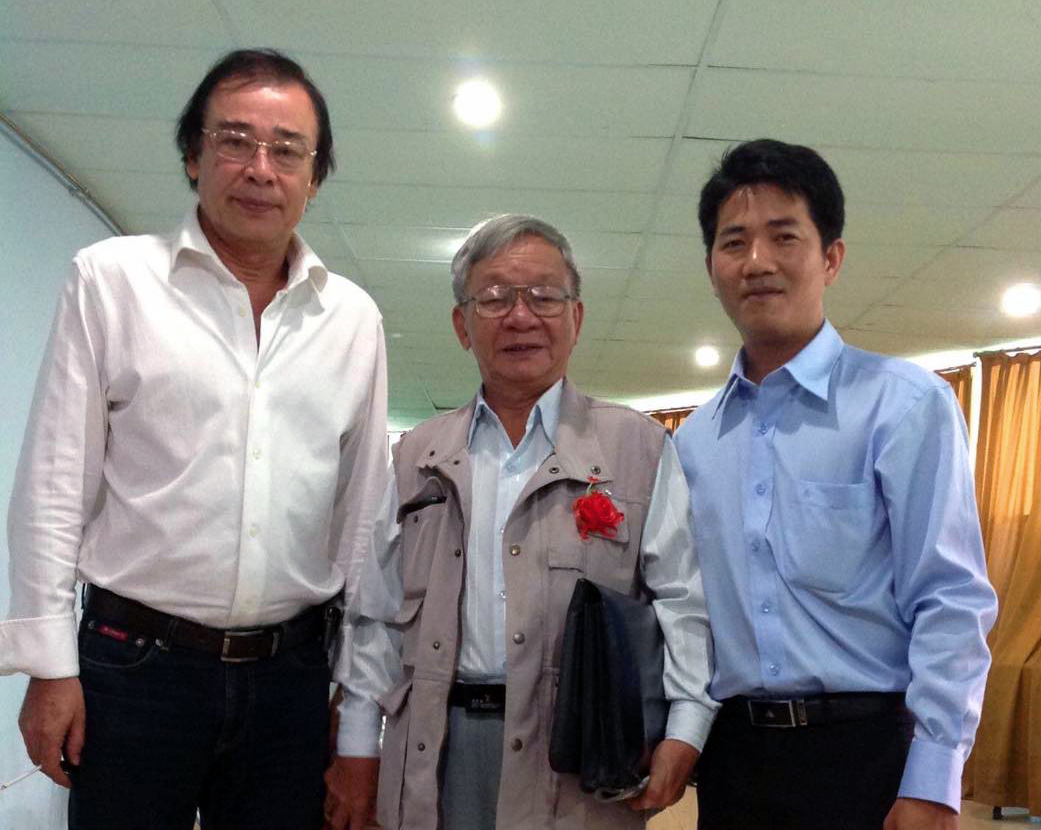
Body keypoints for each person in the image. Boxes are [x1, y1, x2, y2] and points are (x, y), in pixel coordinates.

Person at [1, 48, 388, 829]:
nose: (260, 169)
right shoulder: (113, 281)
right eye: (235, 141)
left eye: (287, 150)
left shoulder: (352, 319)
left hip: (289, 676)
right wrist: (48, 666)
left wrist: (356, 712)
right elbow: (54, 481)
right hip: (133, 666)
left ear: (314, 177)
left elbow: (364, 524)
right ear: (192, 155)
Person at [322, 214, 717, 830]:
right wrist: (355, 747)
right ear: (463, 325)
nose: (521, 316)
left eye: (544, 296)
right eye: (494, 297)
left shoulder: (638, 449)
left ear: (576, 318)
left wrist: (687, 728)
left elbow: (682, 601)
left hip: (577, 757)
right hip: (434, 750)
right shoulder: (417, 457)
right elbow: (376, 615)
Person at [674, 138, 998, 830]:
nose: (757, 261)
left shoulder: (903, 405)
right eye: (734, 242)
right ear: (711, 268)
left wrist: (934, 778)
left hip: (866, 754)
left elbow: (949, 598)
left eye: (783, 236)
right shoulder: (695, 441)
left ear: (831, 258)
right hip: (734, 760)